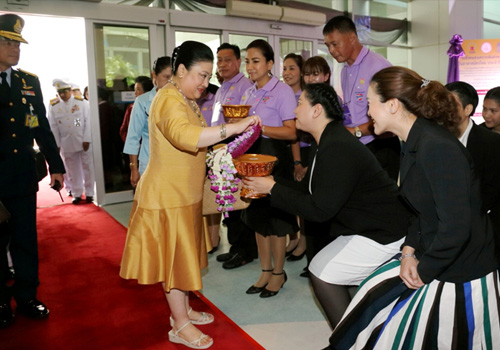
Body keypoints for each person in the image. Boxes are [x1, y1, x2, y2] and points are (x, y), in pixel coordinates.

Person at [326, 66, 500, 350]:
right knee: (372, 304)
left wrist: (423, 268)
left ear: (392, 105)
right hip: (434, 254)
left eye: (369, 103)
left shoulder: (437, 147)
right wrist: (408, 251)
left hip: (461, 270)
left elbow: (457, 226)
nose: (367, 112)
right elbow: (421, 210)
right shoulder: (412, 141)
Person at [119, 40, 261, 349]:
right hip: (167, 197)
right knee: (173, 262)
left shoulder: (184, 97)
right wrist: (233, 129)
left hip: (183, 195)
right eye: (200, 74)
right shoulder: (168, 99)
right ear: (181, 70)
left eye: (207, 75)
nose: (204, 82)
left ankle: (181, 312)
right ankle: (179, 325)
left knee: (182, 260)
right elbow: (187, 137)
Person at [243, 83, 409, 331]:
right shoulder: (327, 140)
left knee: (322, 272)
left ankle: (349, 339)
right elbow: (311, 190)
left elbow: (319, 209)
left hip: (385, 233)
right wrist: (271, 182)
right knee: (322, 268)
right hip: (367, 227)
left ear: (317, 110)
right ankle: (353, 335)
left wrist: (272, 189)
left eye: (300, 103)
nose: (295, 109)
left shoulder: (338, 146)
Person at [0, 13, 65, 328]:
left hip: (23, 176)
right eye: (8, 42)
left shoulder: (28, 81)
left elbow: (40, 126)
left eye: (17, 42)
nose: (15, 48)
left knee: (25, 240)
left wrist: (56, 165)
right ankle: (0, 301)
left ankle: (26, 296)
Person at [240, 39, 299, 298]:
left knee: (276, 222)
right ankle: (264, 270)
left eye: (255, 61)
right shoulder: (249, 92)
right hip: (252, 160)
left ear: (269, 64)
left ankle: (278, 272)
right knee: (257, 218)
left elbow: (291, 131)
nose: (250, 66)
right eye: (247, 61)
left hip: (275, 159)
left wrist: (259, 128)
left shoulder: (282, 91)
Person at [324, 16, 400, 181]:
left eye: (335, 44)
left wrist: (355, 132)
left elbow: (391, 115)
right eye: (328, 46)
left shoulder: (378, 66)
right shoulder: (344, 70)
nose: (331, 50)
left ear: (352, 38)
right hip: (358, 144)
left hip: (381, 145)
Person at [211, 43, 257, 270]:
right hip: (220, 146)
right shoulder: (222, 88)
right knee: (227, 201)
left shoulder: (245, 86)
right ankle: (234, 246)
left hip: (237, 147)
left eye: (227, 59)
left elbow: (248, 122)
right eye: (219, 60)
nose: (222, 64)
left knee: (239, 203)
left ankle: (245, 250)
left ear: (239, 62)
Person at [446, 81, 500, 261]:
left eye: (450, 105)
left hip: (482, 223)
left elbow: (490, 188)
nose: (443, 110)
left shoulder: (489, 142)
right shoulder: (436, 138)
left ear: (467, 109)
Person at [123, 56, 171, 187]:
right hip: (150, 162)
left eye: (174, 78)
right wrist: (133, 168)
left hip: (174, 164)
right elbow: (133, 137)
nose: (170, 82)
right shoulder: (142, 102)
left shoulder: (181, 100)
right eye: (166, 77)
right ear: (154, 75)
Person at [48, 79, 94, 204]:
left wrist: (87, 139)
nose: (62, 95)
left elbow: (87, 122)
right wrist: (56, 145)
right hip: (66, 143)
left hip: (83, 140)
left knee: (87, 167)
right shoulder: (54, 106)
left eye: (65, 91)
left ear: (70, 90)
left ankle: (90, 192)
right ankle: (77, 193)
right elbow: (54, 127)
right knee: (72, 170)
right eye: (60, 92)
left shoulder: (81, 103)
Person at [282, 53, 307, 262]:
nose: (287, 73)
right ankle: (293, 236)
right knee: (289, 195)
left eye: (292, 68)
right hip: (288, 151)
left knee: (304, 196)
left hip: (305, 149)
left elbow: (297, 132)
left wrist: (299, 162)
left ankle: (304, 240)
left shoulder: (305, 95)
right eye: (284, 68)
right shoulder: (283, 93)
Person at [119, 75, 153, 143]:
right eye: (134, 90)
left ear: (147, 92)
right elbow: (123, 130)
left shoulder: (155, 107)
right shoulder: (131, 108)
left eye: (138, 90)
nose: (135, 93)